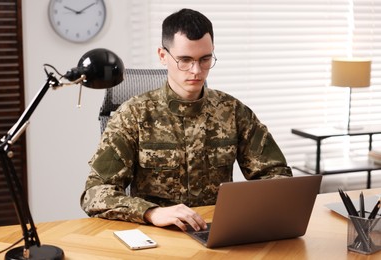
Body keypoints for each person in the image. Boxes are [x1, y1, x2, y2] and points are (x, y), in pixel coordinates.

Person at [80, 8, 292, 232]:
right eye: (185, 60)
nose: (196, 70)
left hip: (218, 232)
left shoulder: (233, 111)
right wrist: (151, 212)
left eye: (205, 59)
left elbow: (277, 176)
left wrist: (246, 208)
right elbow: (95, 193)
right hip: (159, 235)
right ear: (163, 56)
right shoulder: (133, 115)